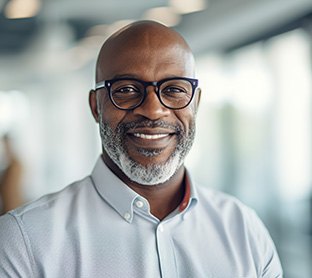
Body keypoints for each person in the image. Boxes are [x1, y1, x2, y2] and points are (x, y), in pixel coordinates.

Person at [0, 21, 283, 277]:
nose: (153, 110)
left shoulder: (244, 230)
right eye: (126, 89)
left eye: (174, 89)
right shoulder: (24, 241)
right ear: (96, 106)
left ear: (195, 104)